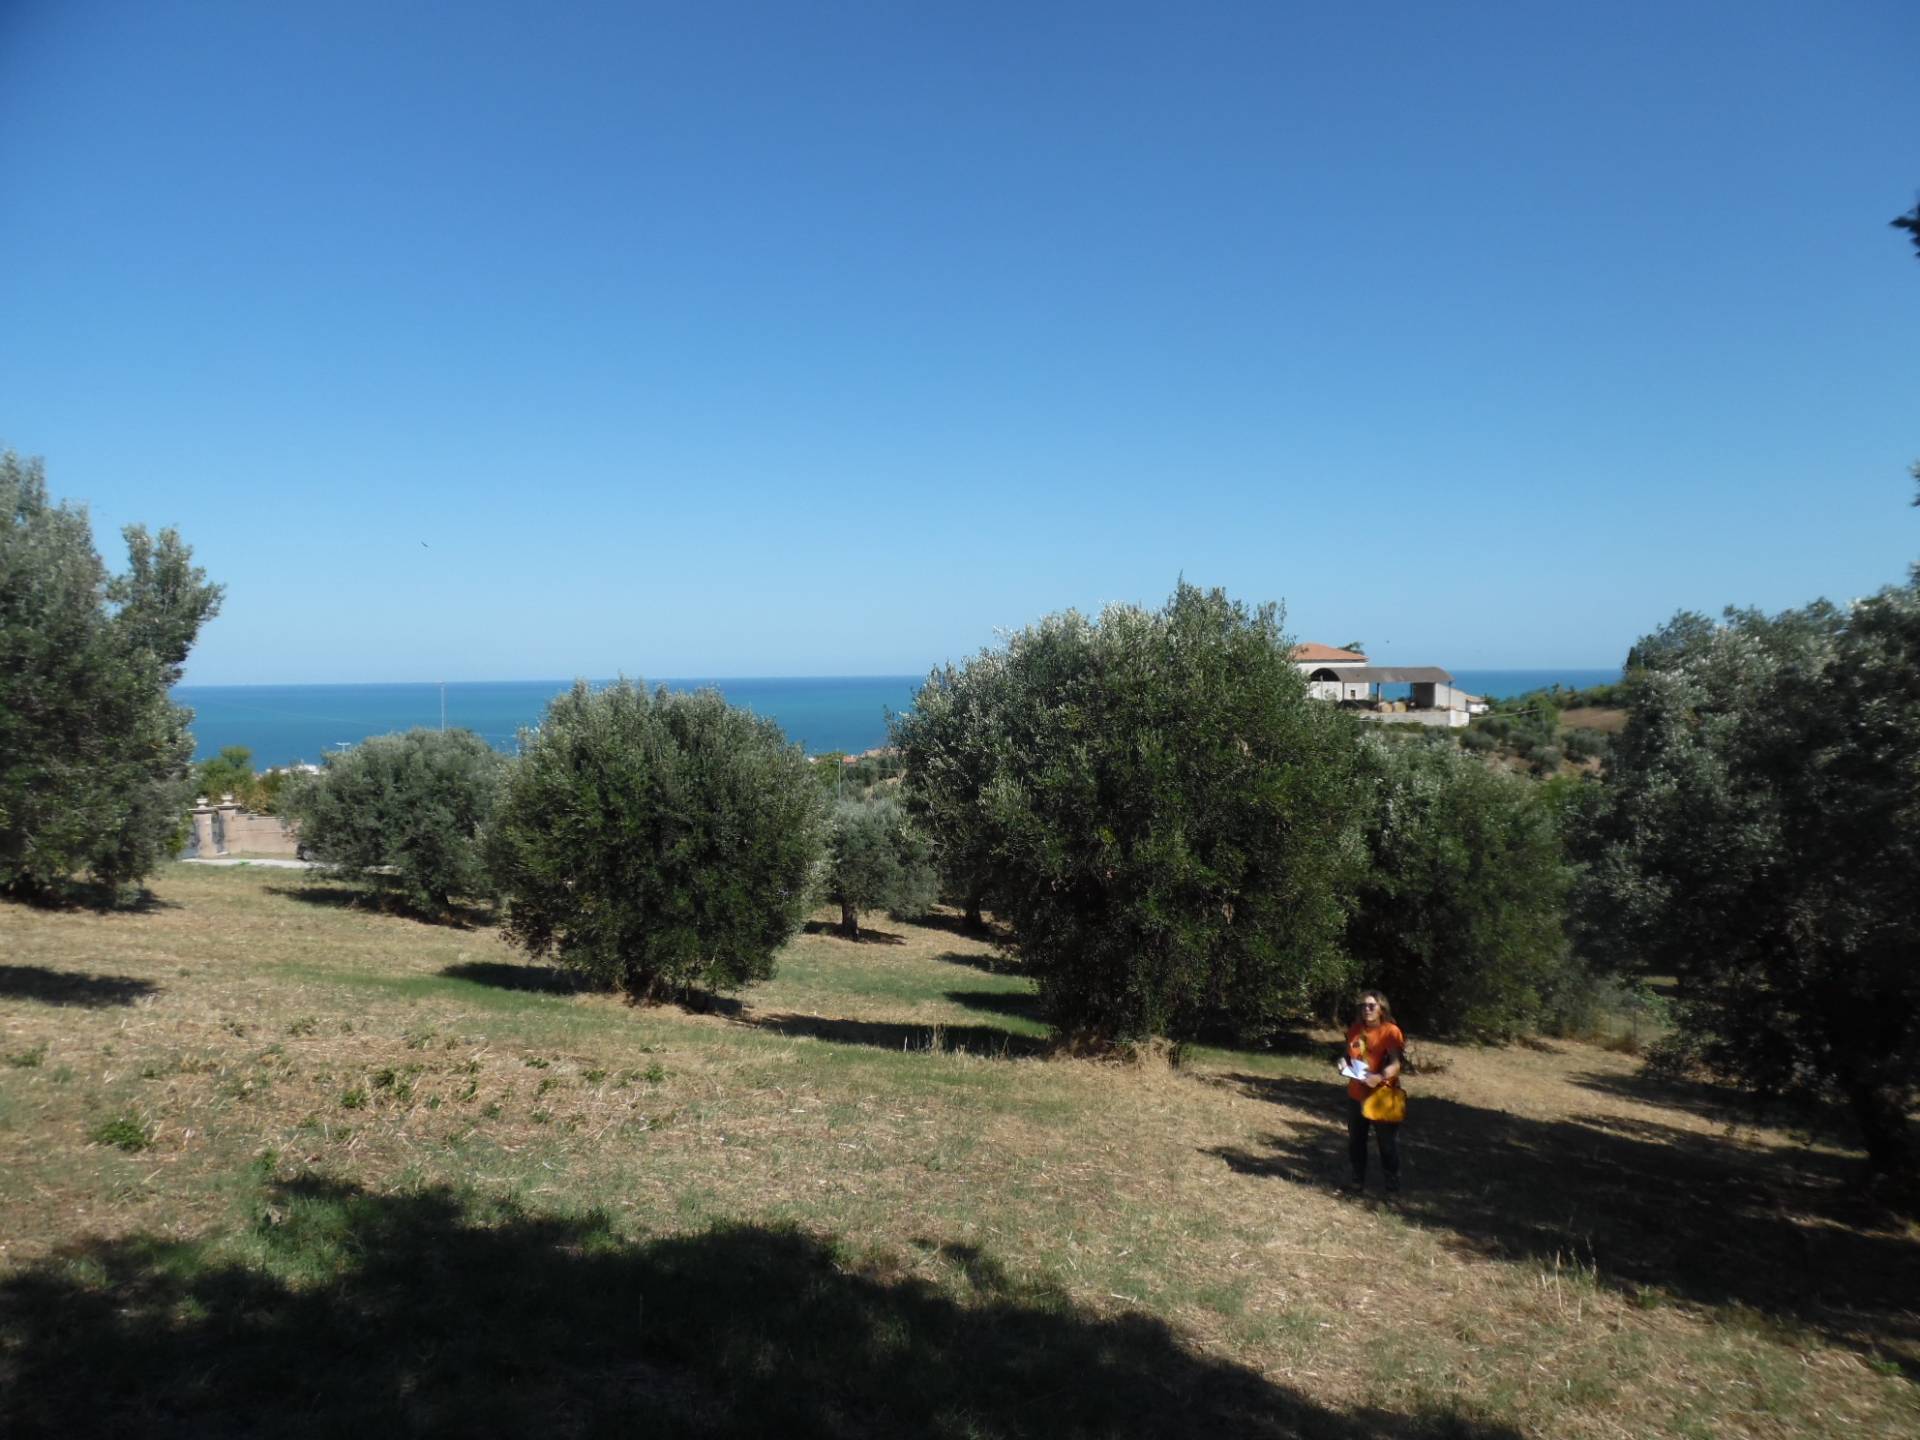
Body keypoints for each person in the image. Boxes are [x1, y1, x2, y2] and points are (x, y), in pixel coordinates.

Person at [1339, 990, 1405, 1195]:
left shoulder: (1390, 1031)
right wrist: (1343, 1063)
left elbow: (1395, 1063)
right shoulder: (1355, 1029)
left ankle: (1392, 1188)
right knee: (1356, 1141)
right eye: (1363, 1006)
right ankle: (1357, 1183)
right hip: (1356, 1094)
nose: (1366, 1010)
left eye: (1371, 1006)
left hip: (1381, 1096)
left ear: (1381, 1008)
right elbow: (1349, 1056)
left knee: (1386, 1145)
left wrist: (1380, 1077)